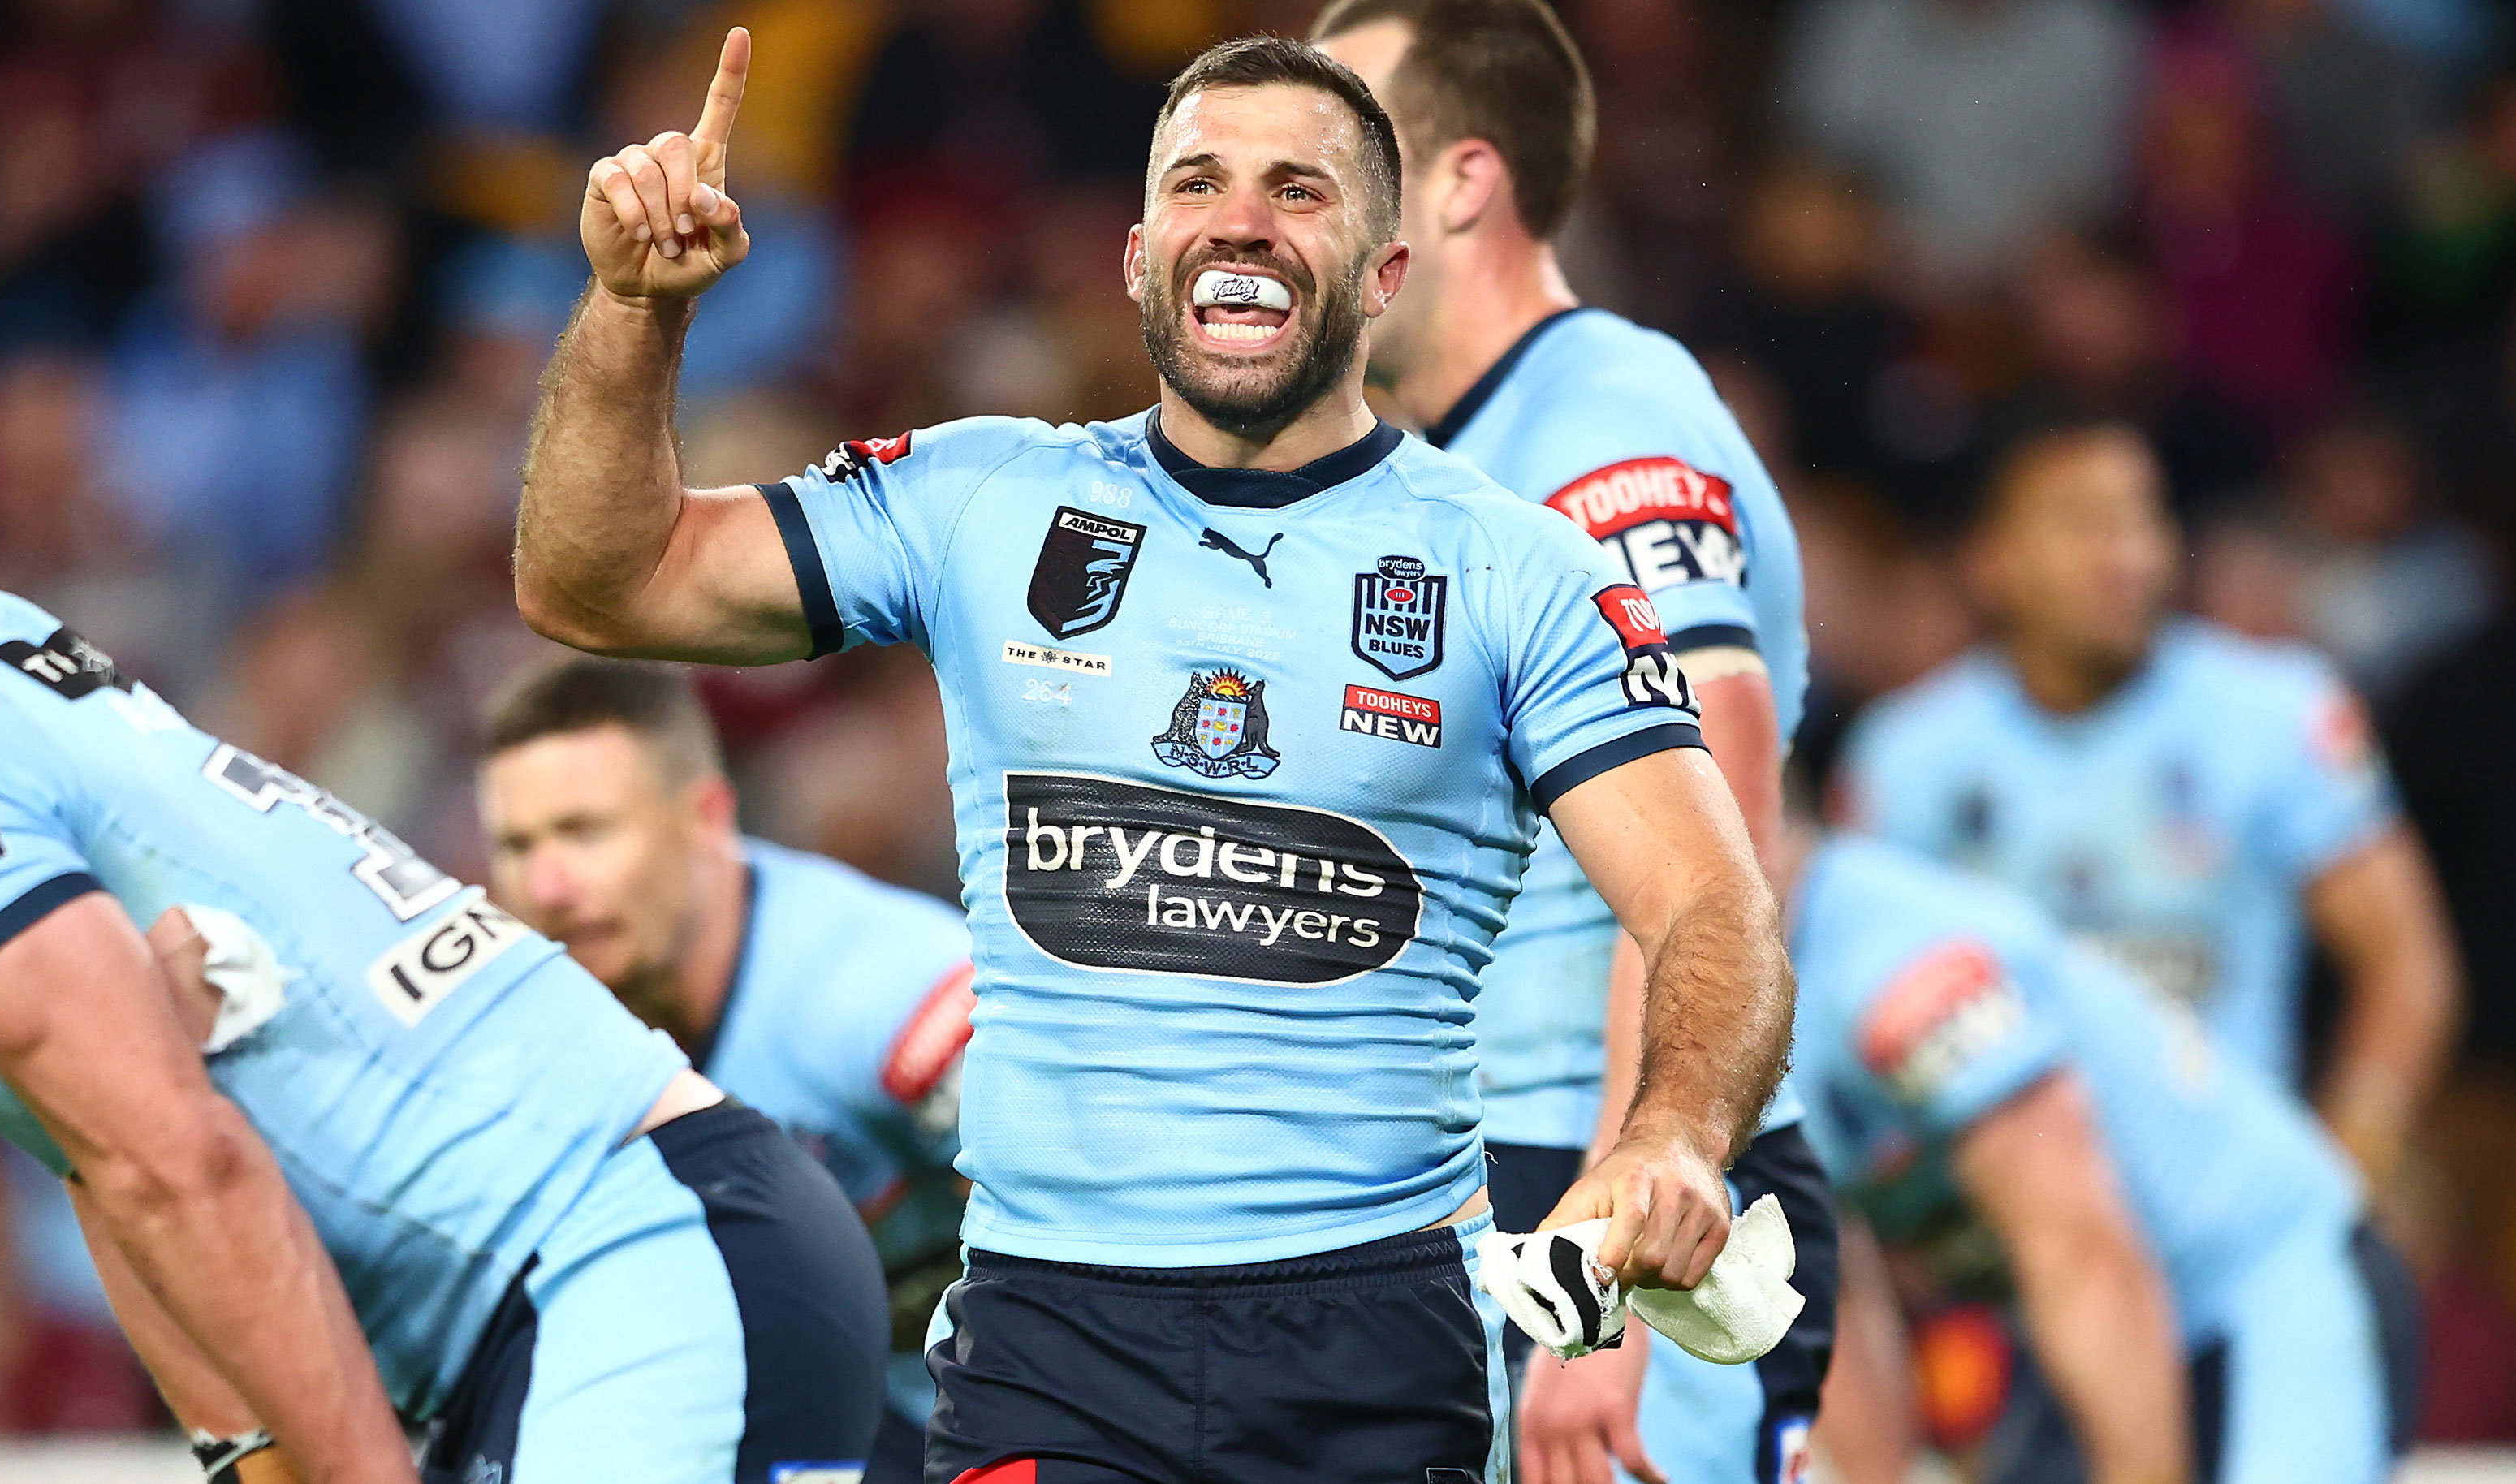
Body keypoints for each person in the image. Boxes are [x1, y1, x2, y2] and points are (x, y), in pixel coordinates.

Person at [516, 28, 1794, 1482]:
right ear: (1138, 256)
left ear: (1385, 276)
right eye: (1199, 181)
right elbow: (599, 581)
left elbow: (1715, 905)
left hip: (1369, 1334)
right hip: (1047, 1339)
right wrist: (633, 312)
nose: (1239, 218)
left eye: (1299, 190)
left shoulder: (1521, 572)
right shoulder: (980, 497)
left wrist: (1671, 1133)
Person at [0, 418, 888, 1482]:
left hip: (621, 1259)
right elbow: (108, 1159)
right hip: (601, 1274)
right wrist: (249, 1459)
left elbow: (178, 1166)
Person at [1311, 6, 1833, 1483]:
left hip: (1613, 1197)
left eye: (1337, 149)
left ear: (1462, 183)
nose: (1290, 191)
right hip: (1486, 1179)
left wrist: (1610, 1287)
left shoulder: (1603, 431)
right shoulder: (1440, 467)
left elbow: (1715, 815)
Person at [1834, 421, 2462, 1189]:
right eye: (2081, 523)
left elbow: (2405, 961)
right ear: (1989, 561)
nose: (2126, 555)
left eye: (2142, 517)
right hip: (1997, 1229)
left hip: (2235, 1211)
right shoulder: (1907, 758)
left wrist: (2349, 1156)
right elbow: (1847, 996)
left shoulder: (2279, 713)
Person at [1783, 828, 2415, 1484]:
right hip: (2087, 1335)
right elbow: (1824, 1301)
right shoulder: (1730, 1005)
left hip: (2271, 1289)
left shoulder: (1900, 964)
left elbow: (2083, 1258)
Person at [476, 656, 976, 1482]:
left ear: (705, 817)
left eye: (586, 831)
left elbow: (1092, 1225)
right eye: (517, 845)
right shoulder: (524, 1049)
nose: (550, 885)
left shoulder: (882, 993)